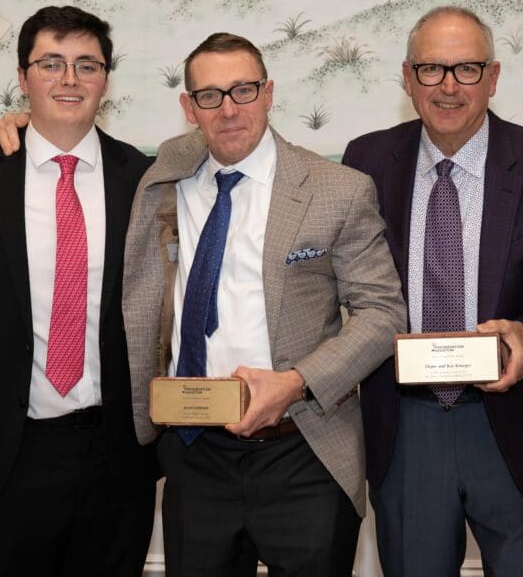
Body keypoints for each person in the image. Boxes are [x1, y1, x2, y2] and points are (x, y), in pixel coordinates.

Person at [342, 6, 523, 576]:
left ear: (493, 78)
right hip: (405, 426)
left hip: (516, 425)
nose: (448, 86)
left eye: (466, 69)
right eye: (431, 69)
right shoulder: (366, 162)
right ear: (407, 77)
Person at [120, 32, 406, 575]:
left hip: (304, 451)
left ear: (269, 93)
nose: (229, 109)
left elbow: (383, 313)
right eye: (210, 96)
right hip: (194, 451)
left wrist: (296, 381)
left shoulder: (336, 189)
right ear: (189, 107)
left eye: (243, 90)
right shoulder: (166, 177)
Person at [0, 6, 157, 576]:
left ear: (106, 79)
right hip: (10, 452)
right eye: (51, 63)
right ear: (22, 76)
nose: (69, 79)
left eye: (87, 64)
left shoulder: (146, 179)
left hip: (116, 454)